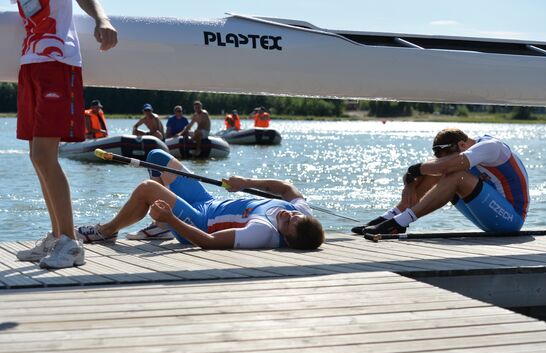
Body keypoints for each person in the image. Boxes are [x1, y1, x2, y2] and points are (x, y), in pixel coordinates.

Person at [14, 0, 117, 269]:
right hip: (30, 62)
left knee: (43, 155)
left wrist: (101, 19)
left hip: (57, 59)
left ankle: (71, 244)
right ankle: (57, 237)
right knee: (36, 157)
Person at [77, 149, 325, 250]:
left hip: (198, 223)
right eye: (295, 215)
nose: (288, 215)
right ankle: (159, 228)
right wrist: (245, 183)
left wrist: (172, 218)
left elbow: (208, 242)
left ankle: (107, 231)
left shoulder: (262, 232)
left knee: (148, 188)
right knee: (157, 157)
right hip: (207, 200)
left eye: (289, 222)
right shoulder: (301, 213)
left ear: (287, 238)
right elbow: (286, 187)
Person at [353, 128, 529, 235]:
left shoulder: (491, 147)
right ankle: (391, 217)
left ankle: (401, 222)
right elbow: (437, 167)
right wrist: (411, 181)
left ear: (462, 145)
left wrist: (416, 169)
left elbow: (446, 166)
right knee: (437, 171)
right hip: (492, 217)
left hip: (511, 220)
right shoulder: (464, 150)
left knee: (454, 174)